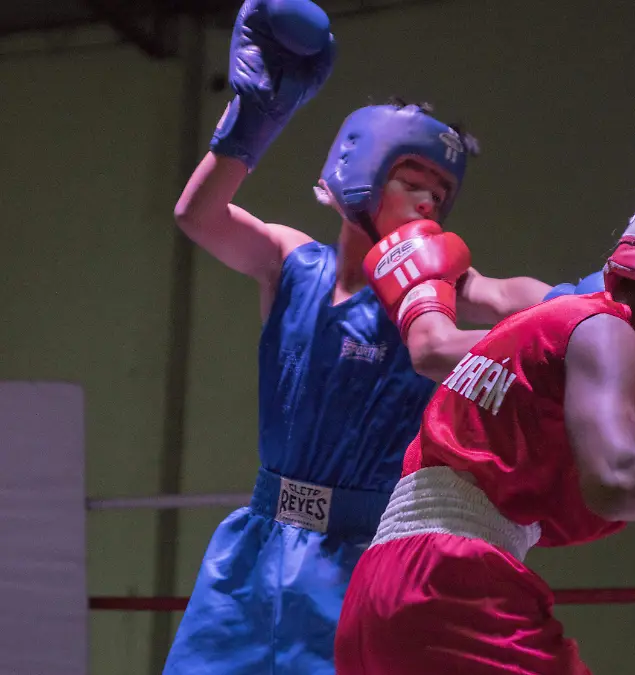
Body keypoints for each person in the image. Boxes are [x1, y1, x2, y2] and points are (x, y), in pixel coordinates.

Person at [163, 0, 586, 671]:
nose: (427, 203)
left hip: (363, 556)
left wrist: (592, 300)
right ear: (358, 172)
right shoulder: (291, 263)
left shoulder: (437, 286)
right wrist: (254, 116)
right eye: (411, 181)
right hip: (256, 544)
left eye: (439, 195)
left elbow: (512, 298)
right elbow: (198, 216)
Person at [334, 187, 635, 674]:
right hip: (453, 587)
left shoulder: (545, 326)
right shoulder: (606, 332)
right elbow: (615, 480)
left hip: (378, 590)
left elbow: (435, 349)